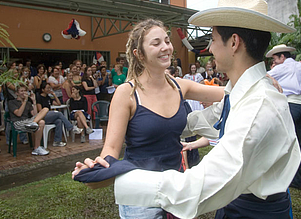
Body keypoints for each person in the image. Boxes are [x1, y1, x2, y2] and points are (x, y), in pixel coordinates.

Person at [73, 0, 301, 219]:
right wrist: (102, 166)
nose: (209, 49)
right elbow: (213, 114)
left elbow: (201, 185)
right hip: (166, 203)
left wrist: (119, 177)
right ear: (139, 54)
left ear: (233, 43)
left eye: (212, 39)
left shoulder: (256, 104)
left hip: (243, 206)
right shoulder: (244, 94)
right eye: (156, 43)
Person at [74, 19, 224, 218]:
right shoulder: (126, 93)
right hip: (140, 194)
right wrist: (95, 168)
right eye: (156, 43)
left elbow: (226, 93)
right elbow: (111, 149)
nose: (166, 48)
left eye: (167, 41)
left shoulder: (180, 86)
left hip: (176, 189)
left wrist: (259, 82)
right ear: (139, 54)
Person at [266, 44, 301, 190]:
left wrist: (270, 74)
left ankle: (295, 180)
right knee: (300, 144)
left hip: (290, 105)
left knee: (288, 143)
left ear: (282, 56)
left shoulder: (283, 67)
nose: (275, 62)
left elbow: (261, 75)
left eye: (276, 58)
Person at [36, 82, 82, 147]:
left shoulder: (48, 98)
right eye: (47, 88)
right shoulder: (39, 98)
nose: (49, 89)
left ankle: (57, 141)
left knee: (59, 121)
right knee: (59, 114)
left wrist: (54, 95)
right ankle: (71, 127)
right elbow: (40, 110)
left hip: (49, 116)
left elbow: (58, 104)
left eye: (49, 88)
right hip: (43, 116)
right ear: (43, 89)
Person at [8, 85, 49, 156]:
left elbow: (35, 114)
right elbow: (18, 114)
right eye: (21, 91)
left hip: (28, 121)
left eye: (25, 91)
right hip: (18, 122)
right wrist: (25, 101)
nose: (24, 93)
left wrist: (34, 101)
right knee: (40, 122)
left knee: (43, 115)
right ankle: (37, 147)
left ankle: (36, 148)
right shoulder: (12, 102)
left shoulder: (28, 103)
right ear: (16, 93)